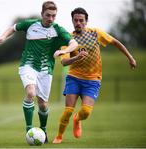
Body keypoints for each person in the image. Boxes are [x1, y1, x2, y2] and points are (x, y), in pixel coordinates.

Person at [0, 1, 78, 143]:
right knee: (31, 93)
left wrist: (64, 50)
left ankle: (43, 130)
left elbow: (73, 43)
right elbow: (13, 28)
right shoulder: (31, 24)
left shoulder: (58, 29)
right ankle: (29, 129)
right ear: (42, 14)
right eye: (48, 15)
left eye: (53, 16)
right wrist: (2, 37)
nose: (50, 18)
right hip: (28, 65)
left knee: (43, 104)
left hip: (46, 70)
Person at [53, 7, 136, 144]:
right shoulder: (68, 38)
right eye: (76, 20)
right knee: (68, 111)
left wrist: (130, 57)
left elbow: (115, 42)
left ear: (86, 21)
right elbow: (64, 62)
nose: (78, 23)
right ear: (72, 21)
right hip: (74, 77)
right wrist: (77, 57)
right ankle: (59, 136)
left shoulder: (95, 33)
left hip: (92, 79)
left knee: (85, 112)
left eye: (81, 20)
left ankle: (77, 119)